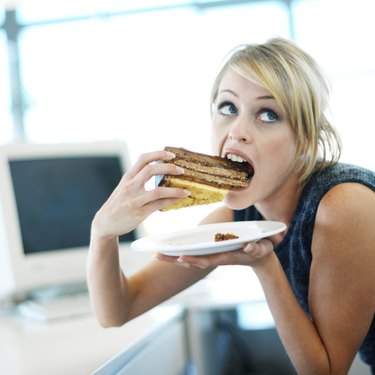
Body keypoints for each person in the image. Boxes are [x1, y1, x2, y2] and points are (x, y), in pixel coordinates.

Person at [87, 37, 375, 374]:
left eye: (268, 114)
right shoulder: (242, 215)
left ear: (305, 139)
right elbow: (117, 310)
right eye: (228, 108)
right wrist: (102, 232)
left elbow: (326, 371)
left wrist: (264, 265)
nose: (237, 131)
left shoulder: (345, 205)